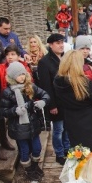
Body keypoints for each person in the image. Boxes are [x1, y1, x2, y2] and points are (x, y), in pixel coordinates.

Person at [1, 62, 50, 182]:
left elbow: (45, 94)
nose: (22, 77)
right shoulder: (8, 92)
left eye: (23, 74)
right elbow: (4, 111)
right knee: (24, 150)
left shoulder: (30, 86)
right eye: (19, 75)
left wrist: (42, 102)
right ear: (12, 77)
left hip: (32, 124)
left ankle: (34, 165)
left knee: (37, 148)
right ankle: (29, 170)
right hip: (18, 127)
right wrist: (15, 111)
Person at [53, 50, 92, 151]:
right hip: (90, 124)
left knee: (79, 153)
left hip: (72, 121)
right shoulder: (84, 83)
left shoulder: (57, 81)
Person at [38, 33, 70, 165]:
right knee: (58, 129)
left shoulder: (66, 58)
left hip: (67, 100)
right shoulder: (44, 62)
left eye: (62, 42)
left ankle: (68, 149)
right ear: (51, 45)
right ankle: (59, 153)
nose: (61, 45)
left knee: (67, 127)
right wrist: (51, 105)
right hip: (55, 101)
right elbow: (46, 86)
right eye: (58, 43)